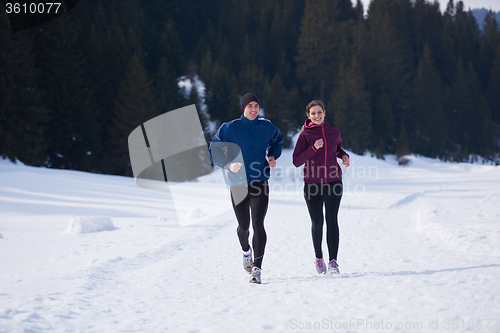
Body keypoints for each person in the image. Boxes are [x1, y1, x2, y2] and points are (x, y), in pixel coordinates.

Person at [209, 93, 283, 284]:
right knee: (244, 227)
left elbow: (277, 140)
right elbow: (214, 150)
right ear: (243, 108)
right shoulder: (230, 127)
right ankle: (246, 252)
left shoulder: (267, 127)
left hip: (260, 180)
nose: (253, 109)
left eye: (256, 106)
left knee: (258, 223)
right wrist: (228, 164)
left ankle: (257, 269)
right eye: (249, 106)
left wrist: (273, 156)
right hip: (238, 183)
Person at [292, 100, 350, 274]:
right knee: (317, 222)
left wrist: (344, 155)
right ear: (308, 116)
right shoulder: (305, 136)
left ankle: (333, 262)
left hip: (334, 182)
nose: (316, 116)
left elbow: (337, 148)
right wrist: (313, 148)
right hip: (312, 185)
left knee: (332, 219)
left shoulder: (334, 133)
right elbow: (296, 161)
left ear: (324, 113)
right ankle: (319, 258)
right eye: (313, 113)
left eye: (319, 112)